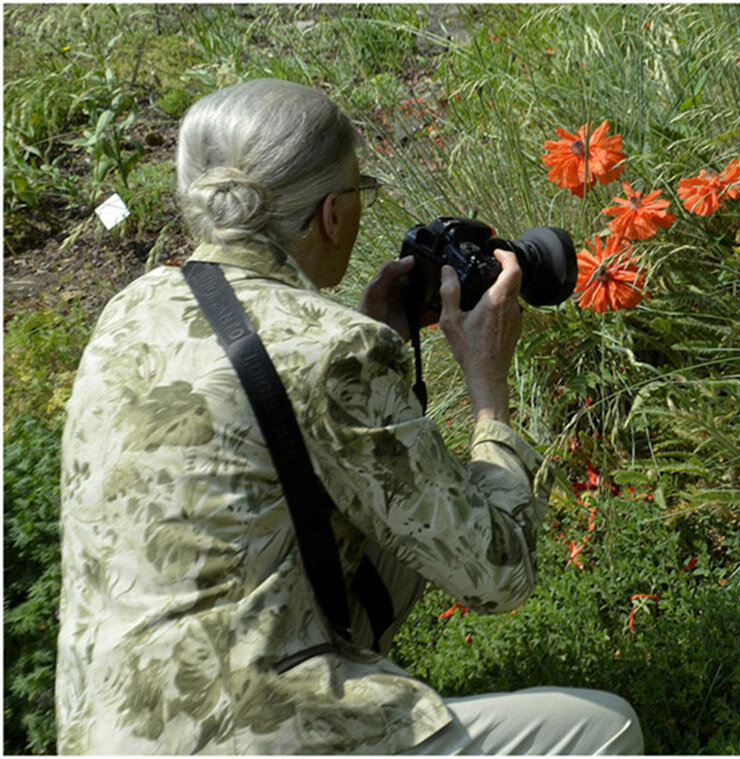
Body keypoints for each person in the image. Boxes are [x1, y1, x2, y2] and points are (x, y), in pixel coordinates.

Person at [54, 78, 643, 755]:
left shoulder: (131, 309)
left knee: (394, 520)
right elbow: (497, 574)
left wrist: (371, 345)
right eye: (361, 189)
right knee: (604, 728)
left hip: (105, 730)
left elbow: (265, 406)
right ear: (333, 213)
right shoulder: (330, 350)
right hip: (243, 737)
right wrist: (488, 391)